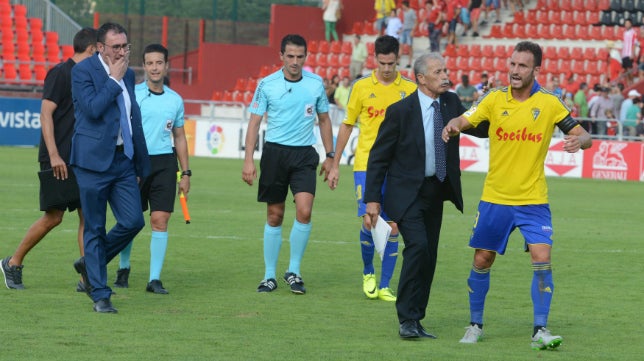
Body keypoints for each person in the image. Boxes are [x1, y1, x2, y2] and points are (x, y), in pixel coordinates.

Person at [442, 40, 592, 349]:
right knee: (482, 259)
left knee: (542, 256)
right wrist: (453, 125)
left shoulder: (550, 103)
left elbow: (583, 134)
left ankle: (540, 330)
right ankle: (475, 325)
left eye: (522, 66)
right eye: (512, 64)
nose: (514, 70)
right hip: (495, 197)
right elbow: (465, 118)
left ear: (536, 69)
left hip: (533, 199)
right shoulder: (494, 99)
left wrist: (581, 142)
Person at [361, 52, 488, 339]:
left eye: (446, 69)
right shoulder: (400, 111)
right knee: (417, 247)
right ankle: (406, 319)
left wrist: (492, 107)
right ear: (420, 78)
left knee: (428, 256)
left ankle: (416, 319)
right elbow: (378, 157)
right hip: (406, 193)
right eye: (438, 71)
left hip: (436, 190)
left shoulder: (452, 102)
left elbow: (479, 127)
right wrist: (372, 199)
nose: (446, 75)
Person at [1, 28, 97, 291]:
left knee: (87, 216)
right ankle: (13, 262)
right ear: (91, 49)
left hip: (81, 159)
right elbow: (45, 115)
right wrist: (54, 155)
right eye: (99, 50)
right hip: (58, 158)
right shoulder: (60, 73)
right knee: (54, 217)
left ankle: (87, 278)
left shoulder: (88, 78)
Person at [327, 35, 417, 303]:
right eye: (382, 63)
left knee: (394, 226)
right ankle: (368, 272)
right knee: (370, 219)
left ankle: (386, 285)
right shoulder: (362, 87)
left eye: (391, 63)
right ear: (374, 59)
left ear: (398, 59)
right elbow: (347, 124)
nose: (387, 68)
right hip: (367, 165)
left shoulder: (410, 89)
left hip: (398, 168)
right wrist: (334, 162)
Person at [242, 34, 334, 295]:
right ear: (281, 56)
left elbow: (325, 120)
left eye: (300, 56)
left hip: (304, 155)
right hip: (275, 154)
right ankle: (269, 275)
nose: (295, 62)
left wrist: (330, 156)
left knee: (304, 211)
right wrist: (249, 159)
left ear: (306, 57)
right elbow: (254, 123)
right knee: (275, 215)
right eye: (290, 56)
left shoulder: (316, 84)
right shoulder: (267, 84)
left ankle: (293, 271)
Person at [70, 22, 150, 313]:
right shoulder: (82, 72)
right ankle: (100, 295)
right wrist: (113, 80)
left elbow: (131, 117)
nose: (122, 52)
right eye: (115, 47)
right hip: (91, 162)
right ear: (100, 48)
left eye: (125, 47)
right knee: (94, 226)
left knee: (133, 221)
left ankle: (92, 261)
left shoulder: (128, 73)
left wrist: (140, 161)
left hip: (122, 161)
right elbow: (92, 109)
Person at [113, 44, 190, 294]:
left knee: (160, 220)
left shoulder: (175, 100)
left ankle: (154, 279)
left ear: (166, 65)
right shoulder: (132, 94)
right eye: (150, 63)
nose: (155, 68)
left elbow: (179, 137)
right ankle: (123, 268)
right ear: (144, 66)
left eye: (159, 63)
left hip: (165, 164)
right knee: (130, 220)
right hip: (136, 163)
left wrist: (186, 172)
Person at [400, 1, 417, 68]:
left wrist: (413, 31)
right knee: (401, 45)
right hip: (404, 30)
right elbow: (404, 22)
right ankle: (398, 61)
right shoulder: (403, 12)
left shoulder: (411, 12)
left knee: (410, 46)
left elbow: (416, 22)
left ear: (405, 5)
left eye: (403, 5)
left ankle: (410, 62)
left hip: (409, 30)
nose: (402, 7)